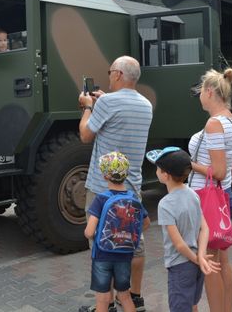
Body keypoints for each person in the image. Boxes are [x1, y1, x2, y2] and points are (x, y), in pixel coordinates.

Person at [78, 56, 153, 312]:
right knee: (135, 242)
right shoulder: (146, 105)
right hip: (132, 187)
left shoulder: (106, 103)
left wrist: (88, 106)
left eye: (111, 72)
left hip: (103, 187)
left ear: (119, 74)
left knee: (102, 245)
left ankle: (106, 303)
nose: (109, 76)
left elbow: (86, 134)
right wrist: (101, 104)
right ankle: (135, 296)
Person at [188, 68, 232, 312]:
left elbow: (217, 171)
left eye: (200, 92)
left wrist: (184, 164)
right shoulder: (231, 120)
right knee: (222, 261)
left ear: (209, 92)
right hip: (222, 196)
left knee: (209, 264)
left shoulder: (213, 123)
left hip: (207, 199)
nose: (199, 97)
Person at [146, 146, 220, 312]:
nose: (156, 171)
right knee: (192, 305)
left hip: (180, 266)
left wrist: (196, 258)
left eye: (158, 168)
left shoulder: (165, 204)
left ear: (166, 175)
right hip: (196, 265)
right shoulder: (193, 194)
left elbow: (179, 245)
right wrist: (200, 256)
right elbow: (205, 228)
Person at [81, 151, 150, 312]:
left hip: (102, 256)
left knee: (103, 299)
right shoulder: (133, 198)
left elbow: (89, 232)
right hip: (125, 255)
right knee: (125, 295)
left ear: (105, 176)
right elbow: (145, 223)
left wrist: (95, 234)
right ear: (126, 175)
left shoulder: (100, 199)